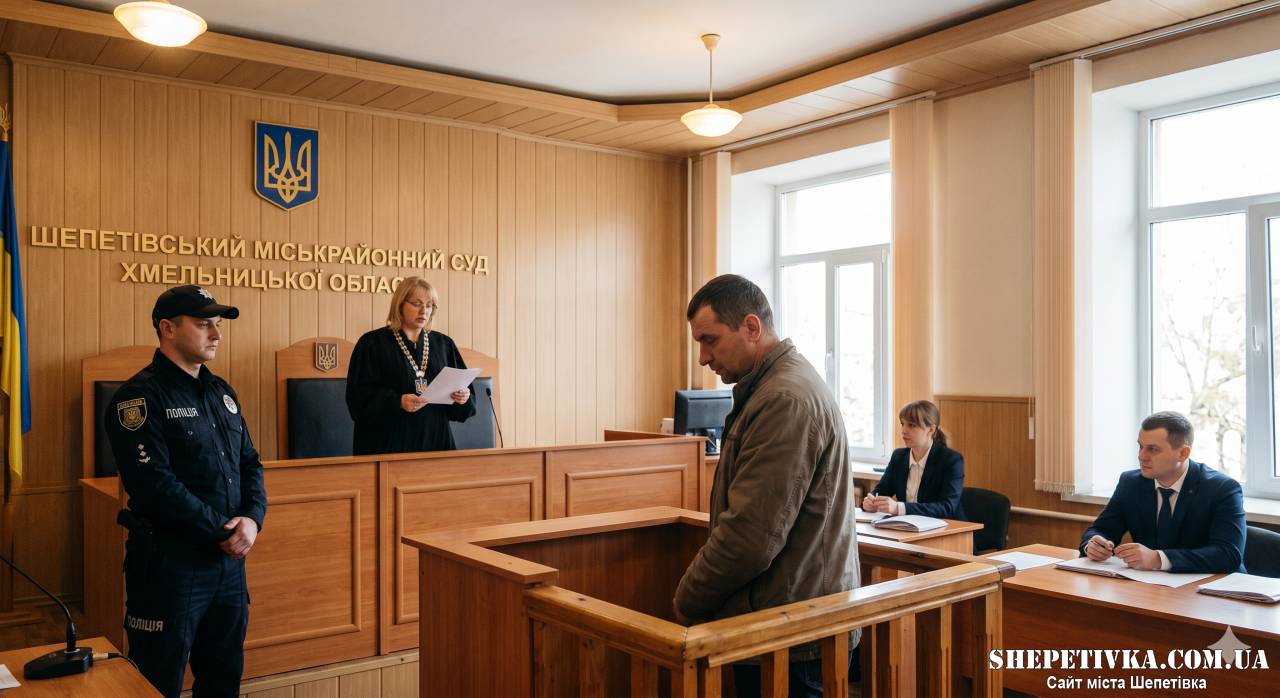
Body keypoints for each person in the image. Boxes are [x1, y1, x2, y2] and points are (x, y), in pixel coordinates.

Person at [673, 274, 858, 698]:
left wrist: (689, 597)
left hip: (794, 632)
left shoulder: (783, 399)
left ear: (752, 327)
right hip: (787, 619)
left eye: (710, 340)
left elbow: (751, 536)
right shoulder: (773, 388)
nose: (703, 357)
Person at [104, 285, 268, 698]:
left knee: (222, 681)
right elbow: (154, 485)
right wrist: (225, 531)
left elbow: (250, 463)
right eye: (203, 324)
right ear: (168, 328)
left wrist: (252, 519)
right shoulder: (138, 398)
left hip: (227, 566)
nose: (216, 334)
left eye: (217, 325)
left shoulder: (221, 392)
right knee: (156, 684)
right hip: (171, 567)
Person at [1080, 411, 1246, 573]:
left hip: (1213, 586)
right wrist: (1093, 545)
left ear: (1183, 453)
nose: (1141, 456)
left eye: (1153, 449)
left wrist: (1159, 559)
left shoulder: (1222, 488)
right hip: (1150, 584)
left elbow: (1228, 554)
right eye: (1140, 446)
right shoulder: (1131, 483)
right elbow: (1101, 529)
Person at [346, 276, 475, 455]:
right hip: (387, 446)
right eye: (417, 304)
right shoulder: (372, 343)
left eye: (429, 305)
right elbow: (357, 400)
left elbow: (466, 408)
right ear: (400, 304)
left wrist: (462, 397)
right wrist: (397, 402)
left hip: (436, 444)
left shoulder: (444, 344)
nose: (424, 311)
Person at [863, 400, 966, 520]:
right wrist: (871, 502)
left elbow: (947, 508)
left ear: (931, 429)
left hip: (950, 528)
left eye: (911, 425)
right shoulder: (898, 457)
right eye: (902, 424)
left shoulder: (951, 460)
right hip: (908, 527)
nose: (904, 430)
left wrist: (899, 508)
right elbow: (880, 492)